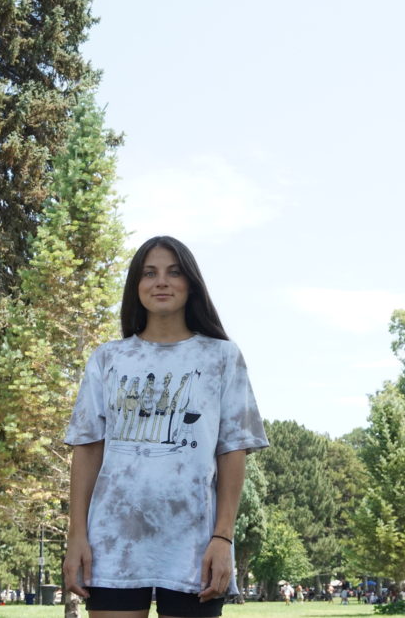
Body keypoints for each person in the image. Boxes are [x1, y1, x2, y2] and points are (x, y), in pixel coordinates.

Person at [63, 236, 269, 618]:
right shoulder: (108, 358)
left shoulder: (221, 357)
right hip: (112, 543)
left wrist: (223, 537)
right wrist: (77, 534)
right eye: (149, 273)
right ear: (136, 286)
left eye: (173, 272)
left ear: (190, 283)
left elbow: (233, 450)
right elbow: (87, 447)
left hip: (194, 547)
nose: (161, 282)